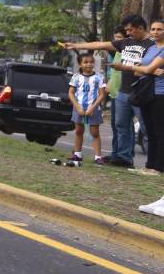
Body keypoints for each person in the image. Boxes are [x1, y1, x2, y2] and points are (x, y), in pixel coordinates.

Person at [63, 15, 152, 167]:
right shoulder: (126, 42)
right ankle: (124, 158)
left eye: (130, 30)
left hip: (142, 92)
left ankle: (155, 164)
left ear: (140, 28)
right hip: (123, 91)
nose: (128, 33)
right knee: (121, 125)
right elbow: (101, 44)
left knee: (147, 127)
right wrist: (76, 46)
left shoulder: (152, 45)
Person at [128, 18, 164, 177]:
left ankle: (159, 167)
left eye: (159, 29)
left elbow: (146, 68)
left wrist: (146, 69)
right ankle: (150, 166)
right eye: (154, 29)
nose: (155, 32)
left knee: (159, 132)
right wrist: (147, 70)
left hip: (160, 94)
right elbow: (136, 71)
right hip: (147, 93)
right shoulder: (151, 48)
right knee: (149, 131)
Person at [66, 52, 107, 165]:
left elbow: (102, 94)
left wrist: (93, 107)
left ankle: (98, 157)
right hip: (79, 108)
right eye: (86, 62)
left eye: (91, 62)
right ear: (80, 64)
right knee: (79, 131)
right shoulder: (76, 77)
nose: (89, 64)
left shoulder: (99, 77)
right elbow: (71, 93)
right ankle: (77, 154)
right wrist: (77, 106)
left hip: (93, 108)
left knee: (95, 133)